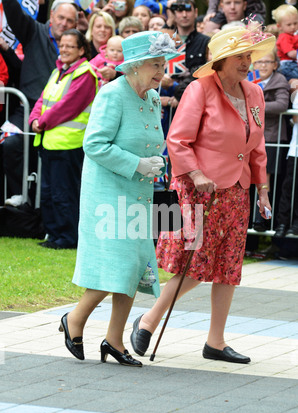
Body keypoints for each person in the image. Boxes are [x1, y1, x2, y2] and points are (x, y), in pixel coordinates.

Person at [130, 24, 276, 364]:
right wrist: (196, 173)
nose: (246, 62)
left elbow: (257, 146)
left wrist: (263, 188)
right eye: (239, 56)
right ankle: (149, 320)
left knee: (228, 266)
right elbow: (178, 140)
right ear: (221, 60)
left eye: (248, 56)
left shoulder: (254, 93)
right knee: (193, 264)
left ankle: (216, 341)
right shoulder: (200, 89)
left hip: (237, 191)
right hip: (198, 190)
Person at [59, 31, 179, 366]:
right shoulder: (112, 94)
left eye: (163, 64)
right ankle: (75, 319)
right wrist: (137, 164)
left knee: (136, 266)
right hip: (109, 192)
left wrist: (157, 163)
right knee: (119, 265)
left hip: (139, 192)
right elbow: (94, 144)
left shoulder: (152, 98)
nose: (161, 70)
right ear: (135, 66)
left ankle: (114, 340)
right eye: (155, 64)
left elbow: (151, 141)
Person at [1, 0, 78, 205]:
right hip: (26, 110)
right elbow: (13, 10)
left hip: (61, 117)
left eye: (70, 20)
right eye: (60, 17)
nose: (64, 23)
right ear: (51, 16)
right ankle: (20, 194)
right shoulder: (33, 31)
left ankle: (47, 207)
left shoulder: (78, 47)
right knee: (7, 141)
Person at [29, 29, 98, 249]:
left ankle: (67, 237)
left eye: (70, 46)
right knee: (49, 192)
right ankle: (54, 234)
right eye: (62, 45)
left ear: (81, 49)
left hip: (69, 144)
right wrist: (34, 118)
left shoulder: (85, 73)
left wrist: (43, 121)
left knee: (64, 193)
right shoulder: (58, 71)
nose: (64, 50)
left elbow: (68, 106)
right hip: (49, 142)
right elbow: (43, 99)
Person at [252, 49, 290, 232]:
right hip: (250, 136)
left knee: (265, 181)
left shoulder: (279, 80)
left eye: (266, 62)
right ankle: (251, 219)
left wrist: (255, 106)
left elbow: (282, 104)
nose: (262, 66)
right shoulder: (249, 79)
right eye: (258, 62)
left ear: (275, 64)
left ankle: (263, 219)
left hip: (272, 137)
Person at [165, 0, 210, 101]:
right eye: (180, 10)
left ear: (196, 12)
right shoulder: (165, 39)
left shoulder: (206, 41)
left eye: (188, 10)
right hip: (165, 100)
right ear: (174, 13)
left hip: (194, 98)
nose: (184, 15)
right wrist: (169, 21)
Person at [275, 87, 298, 238]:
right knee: (288, 188)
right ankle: (282, 224)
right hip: (295, 150)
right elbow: (295, 118)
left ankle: (296, 223)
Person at [272, 4, 298, 81]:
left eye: (295, 23)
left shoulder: (293, 35)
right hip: (288, 65)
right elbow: (291, 54)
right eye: (289, 24)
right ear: (279, 26)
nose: (293, 27)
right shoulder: (284, 37)